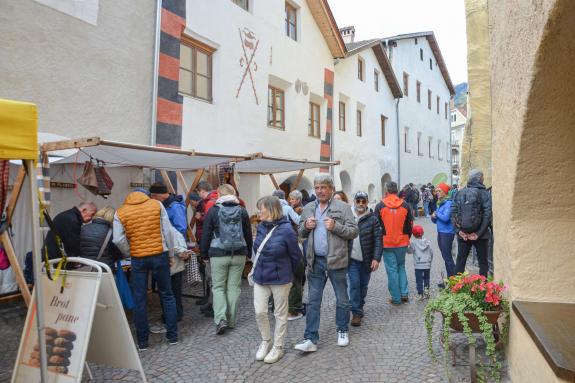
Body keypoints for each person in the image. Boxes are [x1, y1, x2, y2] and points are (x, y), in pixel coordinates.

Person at [294, 174, 358, 352]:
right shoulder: (308, 208)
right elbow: (299, 233)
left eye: (323, 187)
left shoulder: (343, 207)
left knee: (342, 299)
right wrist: (306, 226)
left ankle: (342, 330)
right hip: (315, 261)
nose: (320, 191)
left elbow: (353, 231)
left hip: (336, 260)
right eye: (317, 187)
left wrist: (336, 227)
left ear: (331, 189)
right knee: (313, 301)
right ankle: (310, 339)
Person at [113, 190, 178, 350]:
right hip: (159, 254)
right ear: (146, 195)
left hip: (138, 258)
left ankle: (143, 342)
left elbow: (118, 239)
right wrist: (170, 253)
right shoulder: (156, 205)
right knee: (167, 294)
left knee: (139, 299)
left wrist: (130, 251)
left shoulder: (120, 212)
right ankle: (172, 336)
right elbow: (168, 231)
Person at [252, 196, 302, 364]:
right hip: (260, 276)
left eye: (261, 208)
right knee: (260, 311)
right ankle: (266, 341)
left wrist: (288, 274)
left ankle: (278, 347)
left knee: (280, 314)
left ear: (272, 209)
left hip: (280, 278)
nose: (259, 211)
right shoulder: (260, 227)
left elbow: (296, 257)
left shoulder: (287, 230)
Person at [201, 184, 253, 335]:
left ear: (218, 195)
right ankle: (231, 320)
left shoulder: (213, 211)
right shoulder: (242, 211)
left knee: (218, 288)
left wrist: (204, 253)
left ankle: (220, 319)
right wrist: (248, 252)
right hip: (239, 254)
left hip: (218, 254)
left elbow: (206, 234)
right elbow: (248, 234)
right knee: (234, 287)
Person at [150, 182, 188, 324]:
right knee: (169, 286)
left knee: (173, 286)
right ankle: (172, 314)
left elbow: (180, 229)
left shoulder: (174, 206)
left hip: (174, 250)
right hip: (169, 248)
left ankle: (175, 314)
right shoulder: (168, 204)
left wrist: (178, 250)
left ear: (157, 195)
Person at [375, 181, 413, 305]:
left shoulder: (380, 206)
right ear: (396, 190)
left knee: (392, 270)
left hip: (387, 243)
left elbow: (376, 226)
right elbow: (410, 225)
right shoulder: (405, 205)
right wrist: (407, 238)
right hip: (402, 241)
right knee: (401, 266)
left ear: (386, 191)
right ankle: (404, 293)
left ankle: (396, 297)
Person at [348, 191, 382, 327]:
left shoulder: (373, 219)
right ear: (354, 201)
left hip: (367, 259)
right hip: (352, 260)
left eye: (363, 201)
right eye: (358, 201)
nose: (361, 204)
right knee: (354, 284)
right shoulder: (349, 216)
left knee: (363, 286)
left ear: (367, 202)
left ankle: (360, 305)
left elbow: (378, 239)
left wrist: (376, 258)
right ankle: (356, 312)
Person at [451, 169, 492, 277]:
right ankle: (483, 289)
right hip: (481, 235)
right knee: (483, 262)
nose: (483, 179)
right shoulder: (484, 193)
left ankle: (457, 289)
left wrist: (459, 231)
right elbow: (487, 215)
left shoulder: (460, 192)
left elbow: (453, 213)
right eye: (482, 177)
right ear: (479, 178)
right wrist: (478, 233)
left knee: (460, 261)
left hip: (463, 234)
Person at [271, 190, 304, 321]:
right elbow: (298, 221)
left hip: (274, 246)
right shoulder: (287, 208)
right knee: (295, 277)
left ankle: (276, 308)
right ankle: (292, 310)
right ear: (284, 198)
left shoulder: (270, 208)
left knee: (276, 277)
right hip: (289, 244)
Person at [80, 206, 122, 271]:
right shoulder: (112, 232)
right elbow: (117, 253)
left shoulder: (83, 228)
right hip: (104, 270)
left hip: (85, 269)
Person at [431, 182, 456, 282]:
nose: (437, 193)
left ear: (445, 192)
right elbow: (436, 220)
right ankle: (450, 280)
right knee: (445, 257)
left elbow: (445, 218)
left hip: (447, 233)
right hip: (441, 232)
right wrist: (433, 217)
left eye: (439, 191)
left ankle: (454, 281)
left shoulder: (449, 203)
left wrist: (436, 213)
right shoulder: (440, 203)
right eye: (436, 191)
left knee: (448, 258)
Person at [407, 225, 433, 300]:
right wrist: (430, 261)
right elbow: (431, 253)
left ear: (413, 234)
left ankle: (420, 294)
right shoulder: (427, 242)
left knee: (419, 280)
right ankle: (427, 293)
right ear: (423, 233)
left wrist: (407, 247)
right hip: (427, 264)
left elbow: (409, 251)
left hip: (418, 265)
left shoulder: (413, 243)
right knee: (427, 278)